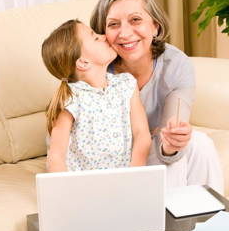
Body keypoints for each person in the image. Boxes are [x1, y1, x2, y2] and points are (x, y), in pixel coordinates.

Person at [90, 0, 224, 194]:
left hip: (153, 151)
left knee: (200, 144)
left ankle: (212, 221)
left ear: (155, 25)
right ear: (102, 32)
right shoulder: (92, 66)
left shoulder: (176, 65)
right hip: (109, 159)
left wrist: (171, 142)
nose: (124, 33)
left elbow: (169, 140)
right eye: (113, 24)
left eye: (135, 20)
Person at [41, 19, 151, 172]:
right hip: (83, 187)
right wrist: (66, 191)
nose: (104, 36)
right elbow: (56, 156)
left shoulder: (126, 85)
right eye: (95, 37)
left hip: (124, 180)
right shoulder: (71, 99)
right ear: (83, 63)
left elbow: (142, 134)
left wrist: (135, 173)